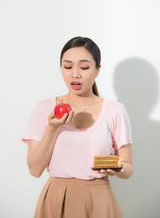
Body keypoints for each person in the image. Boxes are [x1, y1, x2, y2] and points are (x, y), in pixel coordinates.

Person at [22, 36, 134, 218]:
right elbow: (35, 170)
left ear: (98, 70)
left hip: (99, 200)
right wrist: (52, 128)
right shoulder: (43, 109)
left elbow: (129, 168)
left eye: (84, 67)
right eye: (67, 67)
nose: (75, 74)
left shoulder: (115, 110)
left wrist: (119, 168)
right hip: (55, 199)